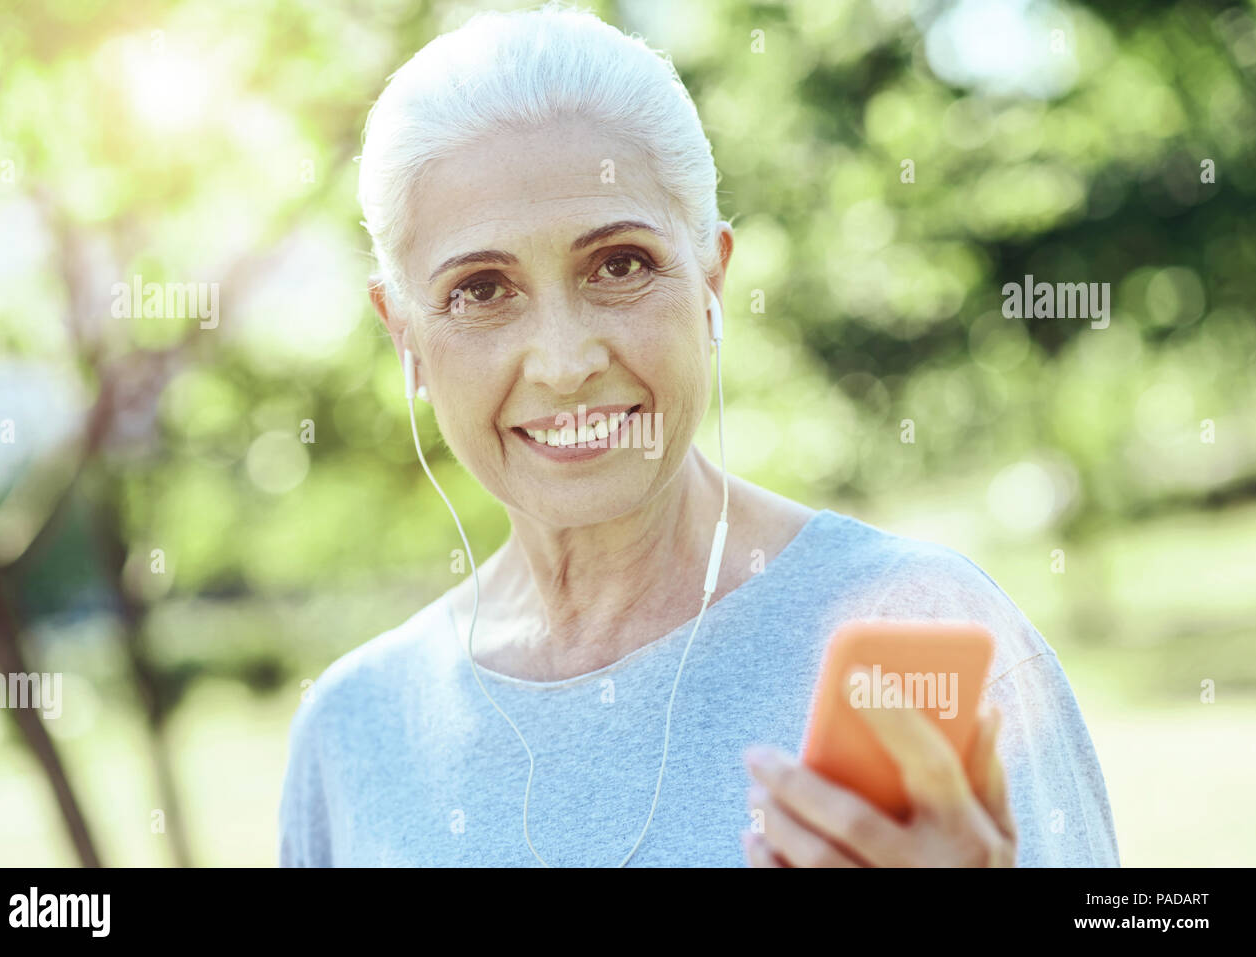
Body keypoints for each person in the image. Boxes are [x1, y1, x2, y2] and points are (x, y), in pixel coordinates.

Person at [278, 3, 1119, 867]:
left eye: (619, 266)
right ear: (403, 333)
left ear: (712, 279)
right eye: (481, 290)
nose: (564, 363)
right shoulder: (353, 730)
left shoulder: (924, 632)